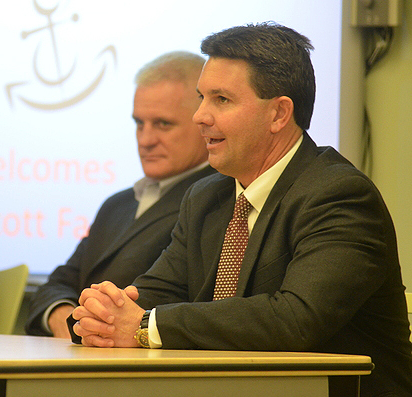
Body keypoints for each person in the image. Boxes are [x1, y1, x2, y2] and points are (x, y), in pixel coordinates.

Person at [71, 23, 412, 396]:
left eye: (221, 99)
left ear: (279, 114)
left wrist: (145, 326)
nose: (200, 115)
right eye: (201, 97)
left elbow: (295, 319)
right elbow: (155, 291)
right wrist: (105, 313)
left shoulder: (339, 195)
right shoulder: (206, 197)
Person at [25, 51, 215, 338]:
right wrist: (64, 319)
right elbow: (58, 282)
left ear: (204, 121)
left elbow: (152, 299)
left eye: (163, 124)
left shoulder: (215, 200)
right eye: (139, 123)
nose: (146, 140)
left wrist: (80, 325)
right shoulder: (117, 204)